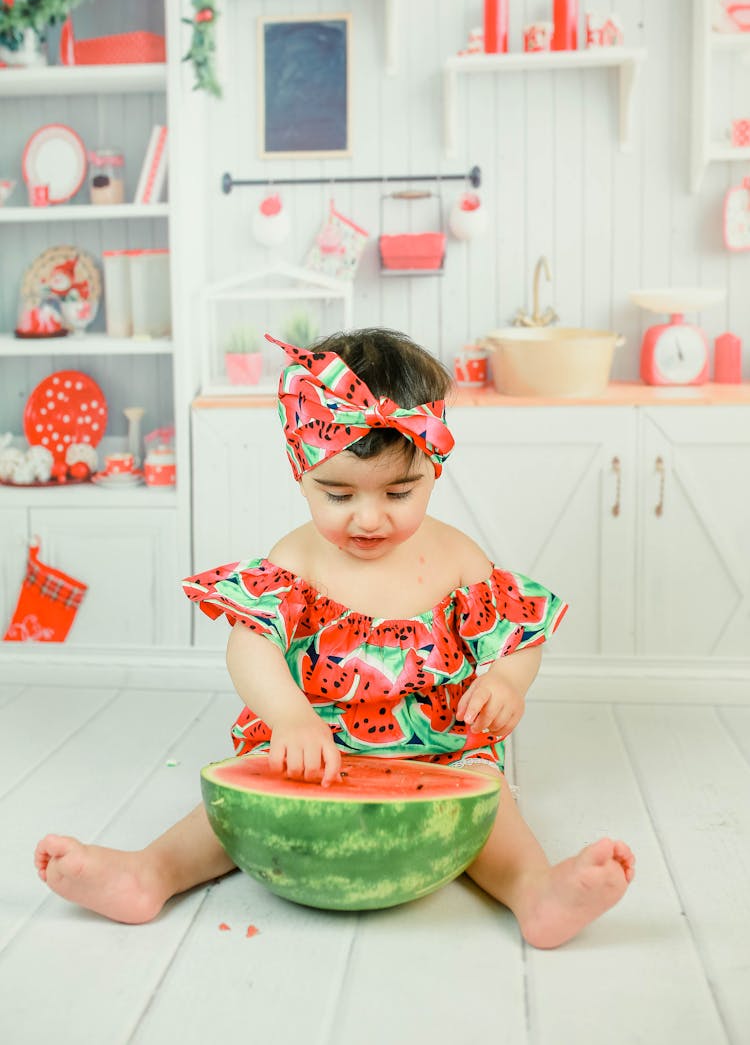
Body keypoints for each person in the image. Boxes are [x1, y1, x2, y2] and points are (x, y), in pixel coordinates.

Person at [34, 328, 634, 948]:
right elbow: (250, 645)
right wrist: (291, 719)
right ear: (301, 473)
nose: (369, 518)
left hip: (439, 749)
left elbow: (517, 632)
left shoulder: (457, 557)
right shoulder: (296, 559)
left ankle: (534, 892)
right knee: (226, 815)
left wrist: (508, 680)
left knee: (494, 816)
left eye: (399, 492)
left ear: (434, 469)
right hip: (309, 748)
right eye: (338, 494)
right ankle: (148, 873)